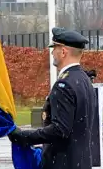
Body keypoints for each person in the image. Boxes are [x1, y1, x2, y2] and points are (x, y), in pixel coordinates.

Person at [7, 27, 97, 169]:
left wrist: (24, 137)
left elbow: (59, 130)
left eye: (54, 48)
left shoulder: (65, 84)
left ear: (63, 52)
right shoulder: (84, 80)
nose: (52, 52)